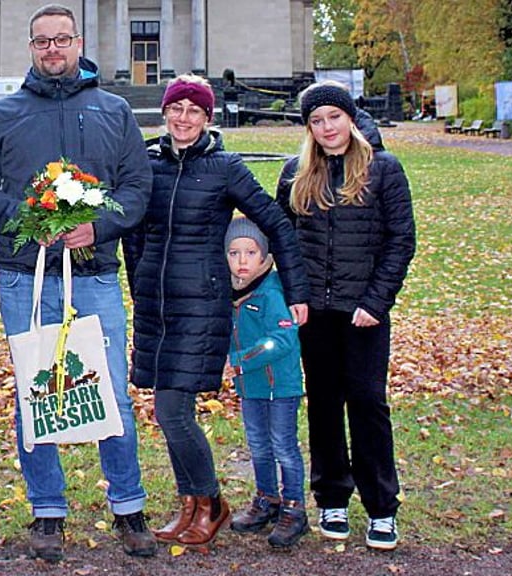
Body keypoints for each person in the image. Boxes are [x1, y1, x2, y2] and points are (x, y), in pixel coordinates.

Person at [0, 3, 155, 562]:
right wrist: (26, 220)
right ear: (31, 48)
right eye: (43, 41)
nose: (53, 49)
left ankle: (128, 505)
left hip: (94, 276)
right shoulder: (3, 115)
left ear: (78, 43)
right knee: (36, 391)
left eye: (61, 39)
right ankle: (47, 509)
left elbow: (137, 187)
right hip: (25, 275)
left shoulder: (113, 110)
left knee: (110, 391)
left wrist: (98, 225)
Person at [122, 74, 309, 549]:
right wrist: (140, 278)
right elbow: (133, 229)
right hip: (156, 305)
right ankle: (190, 506)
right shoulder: (147, 162)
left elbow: (276, 224)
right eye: (176, 108)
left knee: (173, 410)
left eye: (194, 110)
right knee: (167, 411)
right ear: (165, 113)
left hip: (202, 305)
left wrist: (296, 290)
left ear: (207, 117)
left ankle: (211, 504)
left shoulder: (225, 167)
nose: (183, 118)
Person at [275, 82, 416, 551]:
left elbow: (401, 240)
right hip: (315, 312)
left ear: (350, 118)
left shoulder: (383, 169)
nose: (327, 127)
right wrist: (296, 294)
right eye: (316, 121)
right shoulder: (296, 172)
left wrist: (376, 302)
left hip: (363, 312)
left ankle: (381, 506)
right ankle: (332, 496)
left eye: (334, 117)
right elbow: (284, 238)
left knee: (368, 404)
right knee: (324, 404)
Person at [222, 217, 308, 549]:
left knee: (283, 446)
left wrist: (241, 360)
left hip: (279, 387)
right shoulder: (232, 292)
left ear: (264, 256)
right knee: (258, 445)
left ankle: (294, 507)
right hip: (251, 389)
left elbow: (282, 339)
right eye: (234, 253)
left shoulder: (271, 292)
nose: (242, 261)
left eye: (250, 252)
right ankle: (267, 499)